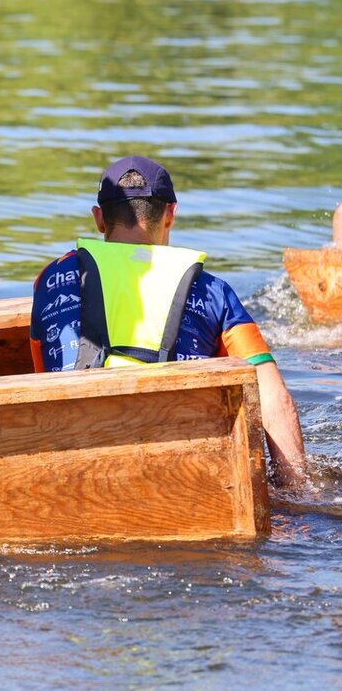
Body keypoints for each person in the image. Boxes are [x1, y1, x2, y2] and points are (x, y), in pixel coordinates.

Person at [30, 155, 307, 489]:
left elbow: (43, 376)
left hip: (74, 464)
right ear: (170, 214)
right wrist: (295, 494)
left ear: (99, 219)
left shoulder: (50, 280)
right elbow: (275, 398)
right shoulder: (213, 291)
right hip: (183, 473)